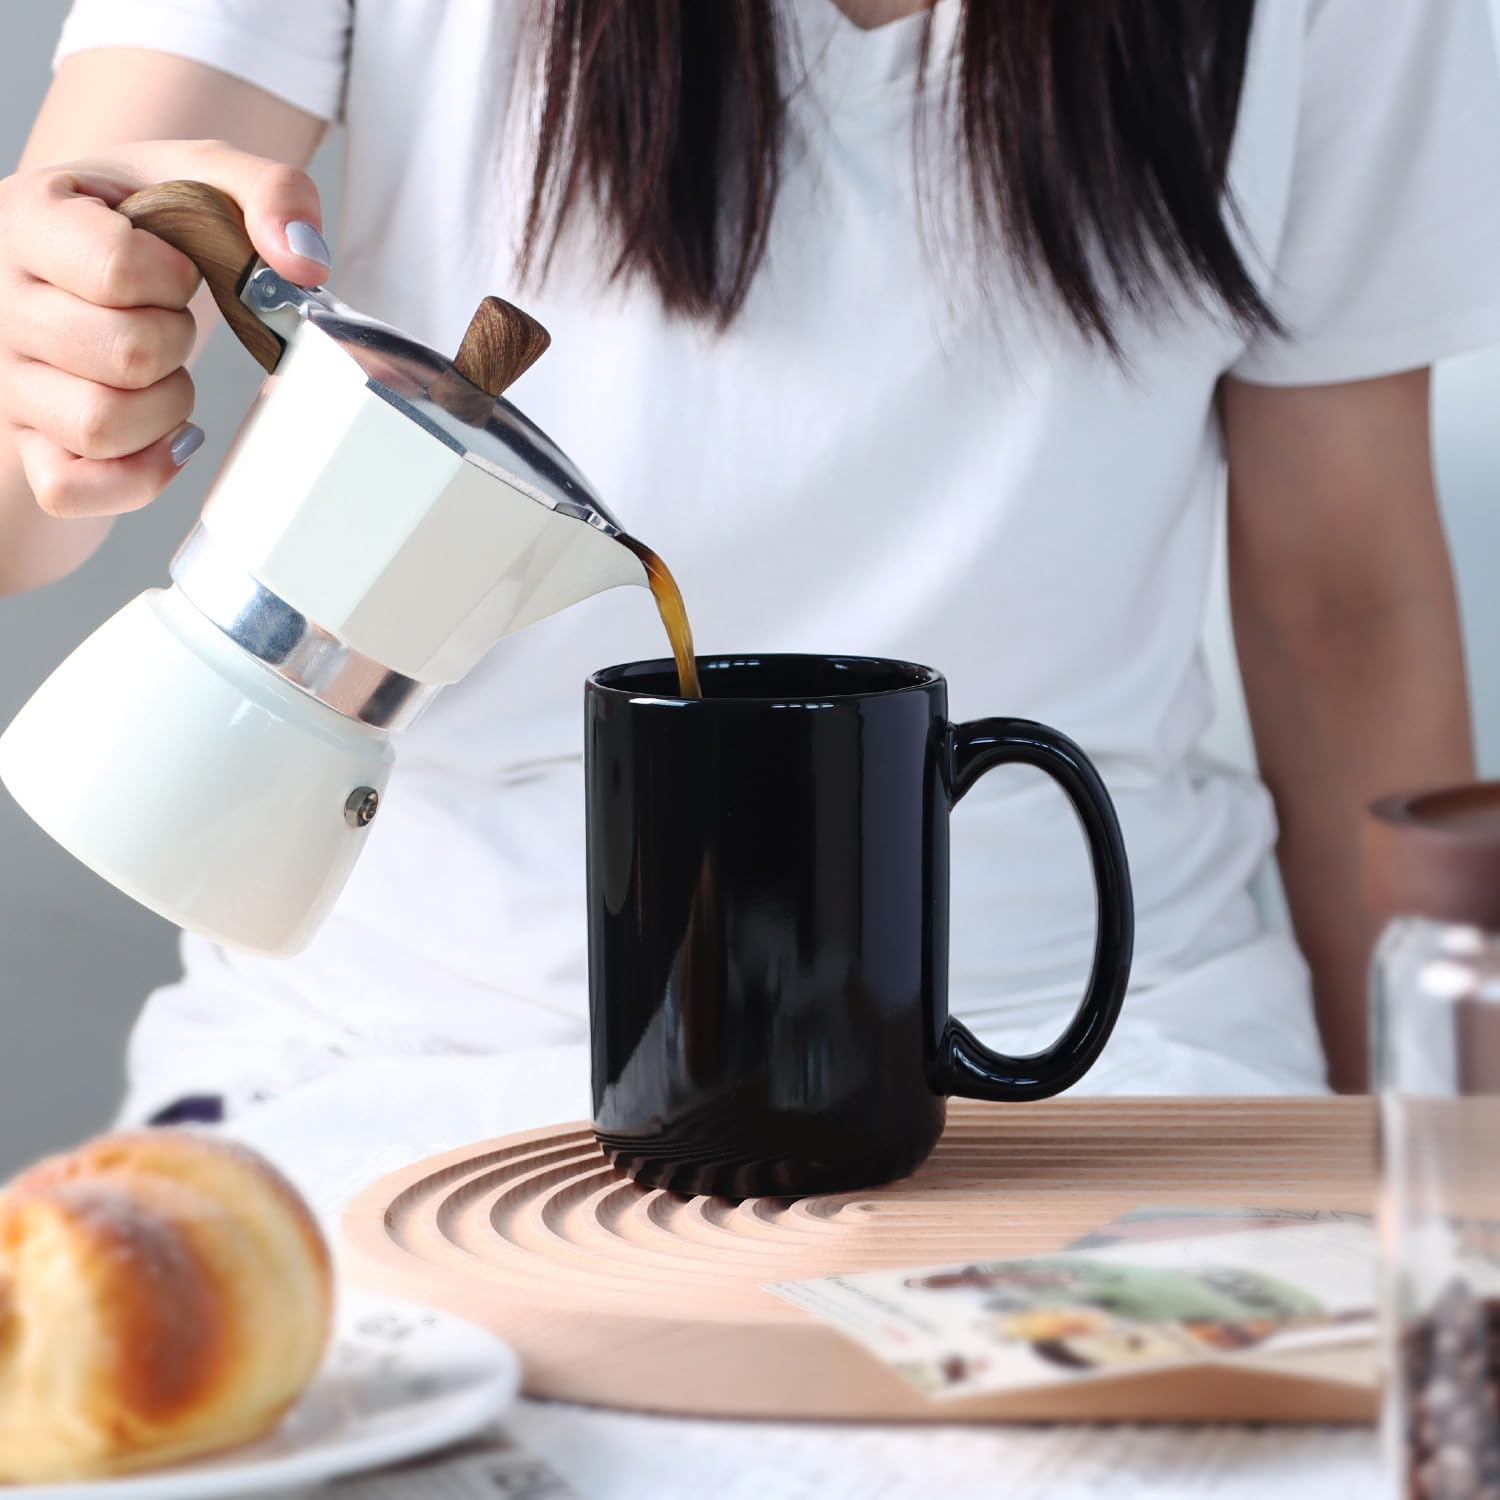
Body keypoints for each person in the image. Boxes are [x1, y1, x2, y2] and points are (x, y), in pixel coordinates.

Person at [1, 0, 1497, 1125]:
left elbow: (1343, 603)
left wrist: (1447, 1163)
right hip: (396, 1056)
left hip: (1114, 1055)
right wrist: (57, 355)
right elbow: (24, 485)